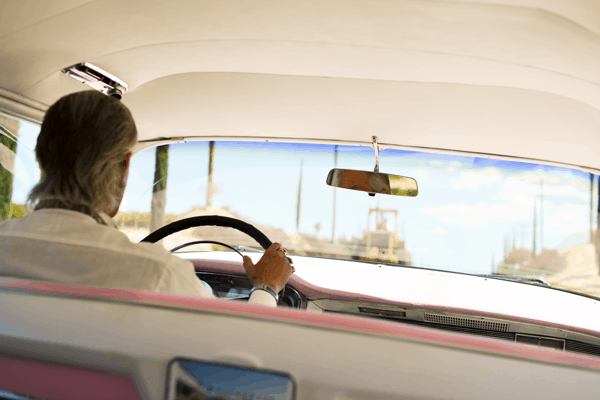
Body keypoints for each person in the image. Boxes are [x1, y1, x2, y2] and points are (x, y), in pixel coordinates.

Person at [0, 91, 293, 307]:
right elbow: (239, 350)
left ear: (41, 157)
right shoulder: (158, 275)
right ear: (124, 168)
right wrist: (267, 287)